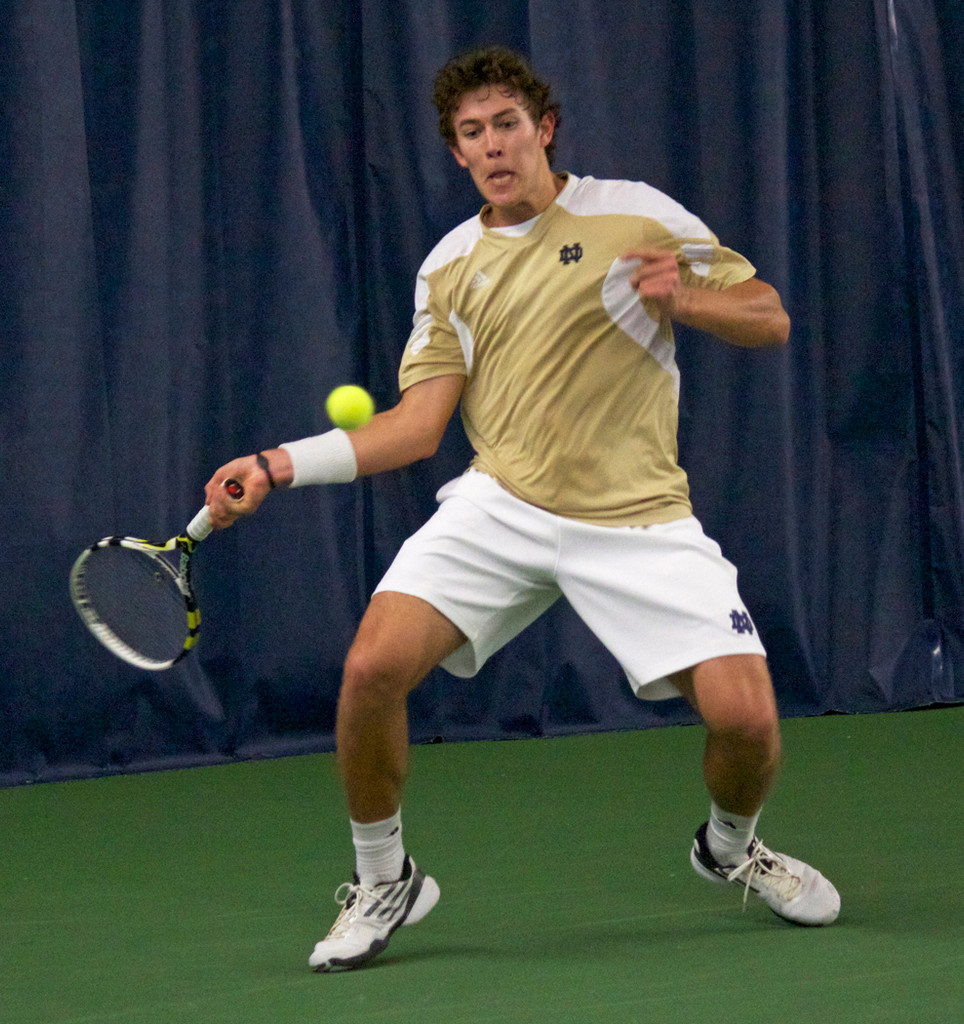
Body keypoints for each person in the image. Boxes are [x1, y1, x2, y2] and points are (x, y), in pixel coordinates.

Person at [204, 45, 840, 972]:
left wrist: (687, 296)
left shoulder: (635, 213)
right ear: (457, 155)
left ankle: (730, 849)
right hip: (503, 505)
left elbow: (769, 314)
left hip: (640, 516)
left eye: (507, 124)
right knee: (372, 667)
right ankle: (385, 878)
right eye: (472, 134)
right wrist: (276, 464)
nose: (493, 145)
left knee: (747, 725)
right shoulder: (449, 268)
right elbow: (419, 428)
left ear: (543, 130)